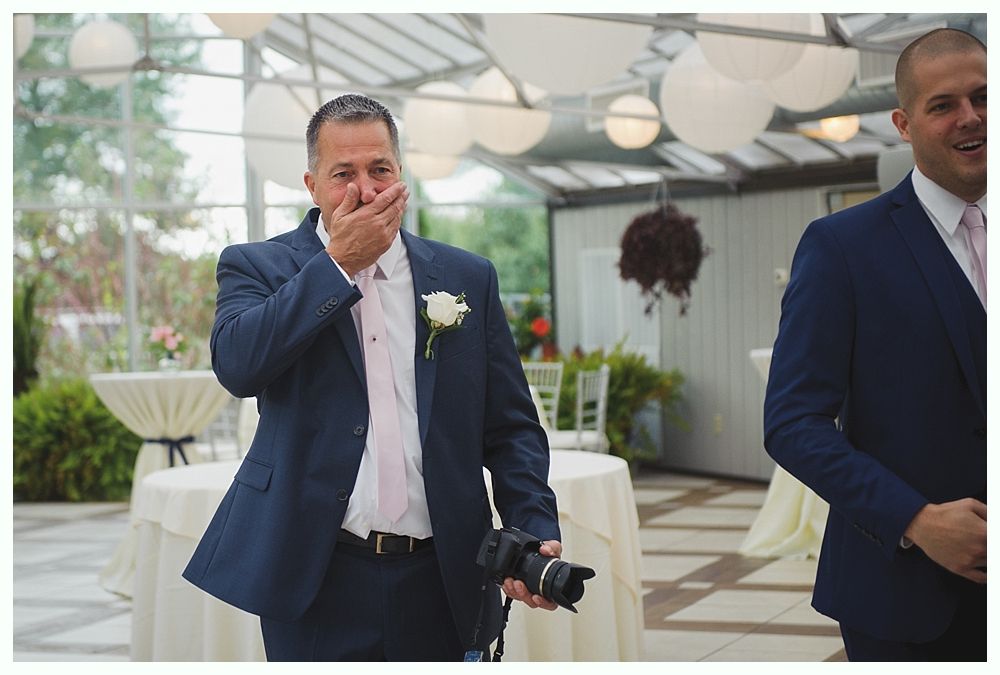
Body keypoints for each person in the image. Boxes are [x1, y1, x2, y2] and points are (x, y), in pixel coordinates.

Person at [183, 94, 562, 661]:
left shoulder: (466, 276)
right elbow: (238, 366)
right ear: (312, 186)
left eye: (379, 169)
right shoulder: (257, 265)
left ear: (401, 175)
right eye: (343, 174)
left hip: (444, 574)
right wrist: (338, 263)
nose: (365, 189)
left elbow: (510, 428)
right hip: (317, 576)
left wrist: (532, 527)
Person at [764, 28, 986, 661]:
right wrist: (915, 520)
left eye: (983, 97)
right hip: (908, 597)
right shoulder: (843, 246)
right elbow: (792, 422)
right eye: (943, 105)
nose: (970, 117)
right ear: (904, 123)